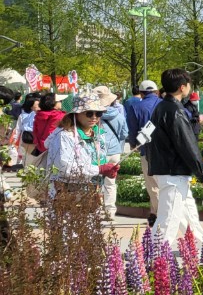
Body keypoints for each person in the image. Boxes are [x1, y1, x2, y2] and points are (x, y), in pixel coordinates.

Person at [148, 69, 203, 247]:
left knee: (189, 216)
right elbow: (187, 145)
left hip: (165, 169)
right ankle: (154, 257)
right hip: (173, 172)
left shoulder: (160, 107)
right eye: (189, 85)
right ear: (182, 87)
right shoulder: (175, 111)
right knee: (168, 220)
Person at [43, 90, 121, 201]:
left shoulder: (98, 133)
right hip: (66, 193)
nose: (94, 117)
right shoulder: (65, 135)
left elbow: (97, 158)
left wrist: (107, 169)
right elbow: (66, 168)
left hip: (91, 191)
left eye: (98, 113)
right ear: (77, 114)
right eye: (89, 113)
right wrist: (99, 169)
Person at [124, 80, 163, 222]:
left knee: (152, 184)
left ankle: (159, 214)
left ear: (141, 93)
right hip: (167, 151)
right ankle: (155, 212)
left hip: (147, 150)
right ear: (157, 92)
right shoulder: (165, 105)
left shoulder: (136, 107)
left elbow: (132, 129)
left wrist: (134, 144)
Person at [94, 86, 129, 220]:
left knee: (95, 181)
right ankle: (110, 211)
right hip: (114, 151)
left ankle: (97, 209)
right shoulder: (118, 115)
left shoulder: (93, 115)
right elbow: (124, 133)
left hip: (98, 152)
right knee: (111, 181)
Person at [17, 93, 40, 167]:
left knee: (31, 160)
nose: (39, 106)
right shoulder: (24, 116)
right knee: (29, 160)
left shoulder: (39, 115)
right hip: (27, 139)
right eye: (37, 105)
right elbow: (18, 129)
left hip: (32, 140)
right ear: (31, 107)